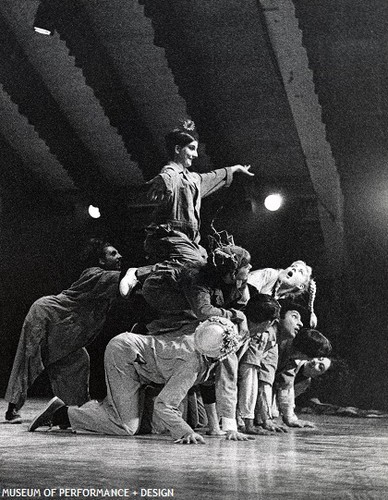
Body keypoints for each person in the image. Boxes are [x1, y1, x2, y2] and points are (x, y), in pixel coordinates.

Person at [28, 316, 256, 444]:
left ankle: (96, 410)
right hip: (125, 354)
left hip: (139, 363)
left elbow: (226, 384)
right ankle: (62, 414)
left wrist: (229, 427)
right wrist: (186, 432)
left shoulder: (208, 342)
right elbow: (164, 405)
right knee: (127, 427)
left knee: (146, 424)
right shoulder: (192, 364)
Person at [4, 238, 133, 424]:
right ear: (101, 261)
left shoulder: (108, 283)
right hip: (48, 315)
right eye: (113, 253)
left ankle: (71, 410)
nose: (119, 256)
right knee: (29, 357)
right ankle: (12, 409)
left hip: (68, 333)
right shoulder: (95, 274)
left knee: (79, 361)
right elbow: (127, 281)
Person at [143, 119, 254, 266]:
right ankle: (137, 273)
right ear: (177, 149)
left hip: (189, 241)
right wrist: (162, 182)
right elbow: (167, 176)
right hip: (169, 237)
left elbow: (213, 176)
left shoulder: (192, 178)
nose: (195, 154)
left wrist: (235, 168)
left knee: (212, 266)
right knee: (195, 266)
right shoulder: (171, 171)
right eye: (191, 148)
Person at [237, 300, 305, 434]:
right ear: (277, 318)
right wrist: (249, 423)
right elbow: (249, 377)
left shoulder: (274, 341)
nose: (300, 324)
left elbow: (264, 380)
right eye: (294, 316)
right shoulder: (265, 335)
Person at [273, 356, 332, 428]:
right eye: (319, 359)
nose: (315, 362)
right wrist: (290, 418)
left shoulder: (306, 382)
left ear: (318, 376)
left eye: (320, 366)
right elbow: (283, 392)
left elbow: (288, 399)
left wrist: (289, 418)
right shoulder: (292, 363)